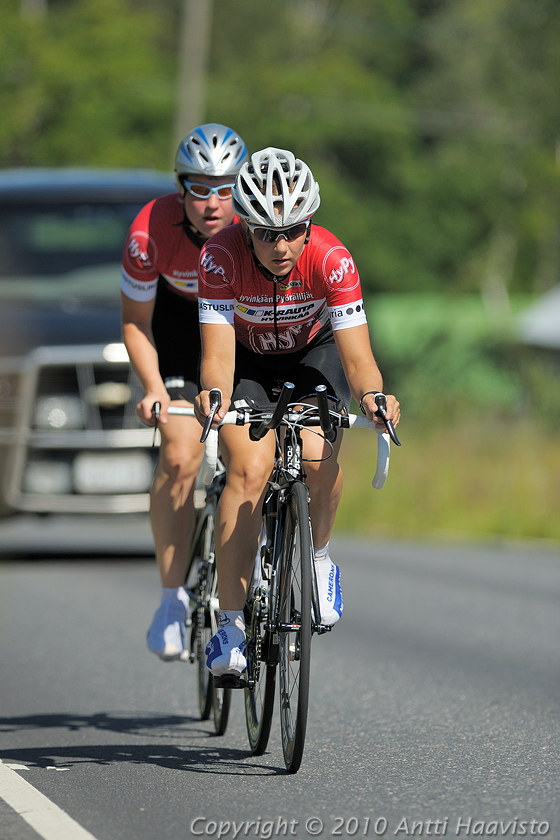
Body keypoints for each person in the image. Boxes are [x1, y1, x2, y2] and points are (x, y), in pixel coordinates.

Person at [195, 147, 400, 678]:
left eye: (294, 230)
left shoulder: (332, 258)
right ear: (245, 228)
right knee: (248, 470)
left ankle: (320, 558)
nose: (282, 246)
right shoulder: (219, 258)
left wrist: (375, 398)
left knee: (315, 449)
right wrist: (213, 398)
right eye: (267, 233)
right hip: (248, 362)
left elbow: (358, 360)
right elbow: (217, 357)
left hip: (315, 354)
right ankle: (232, 624)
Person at [120, 123, 248, 661]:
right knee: (179, 454)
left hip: (239, 336)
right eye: (200, 189)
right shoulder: (150, 231)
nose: (213, 203)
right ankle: (172, 599)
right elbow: (135, 322)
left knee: (252, 457)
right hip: (175, 337)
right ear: (181, 189)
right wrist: (152, 387)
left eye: (225, 189)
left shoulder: (257, 228)